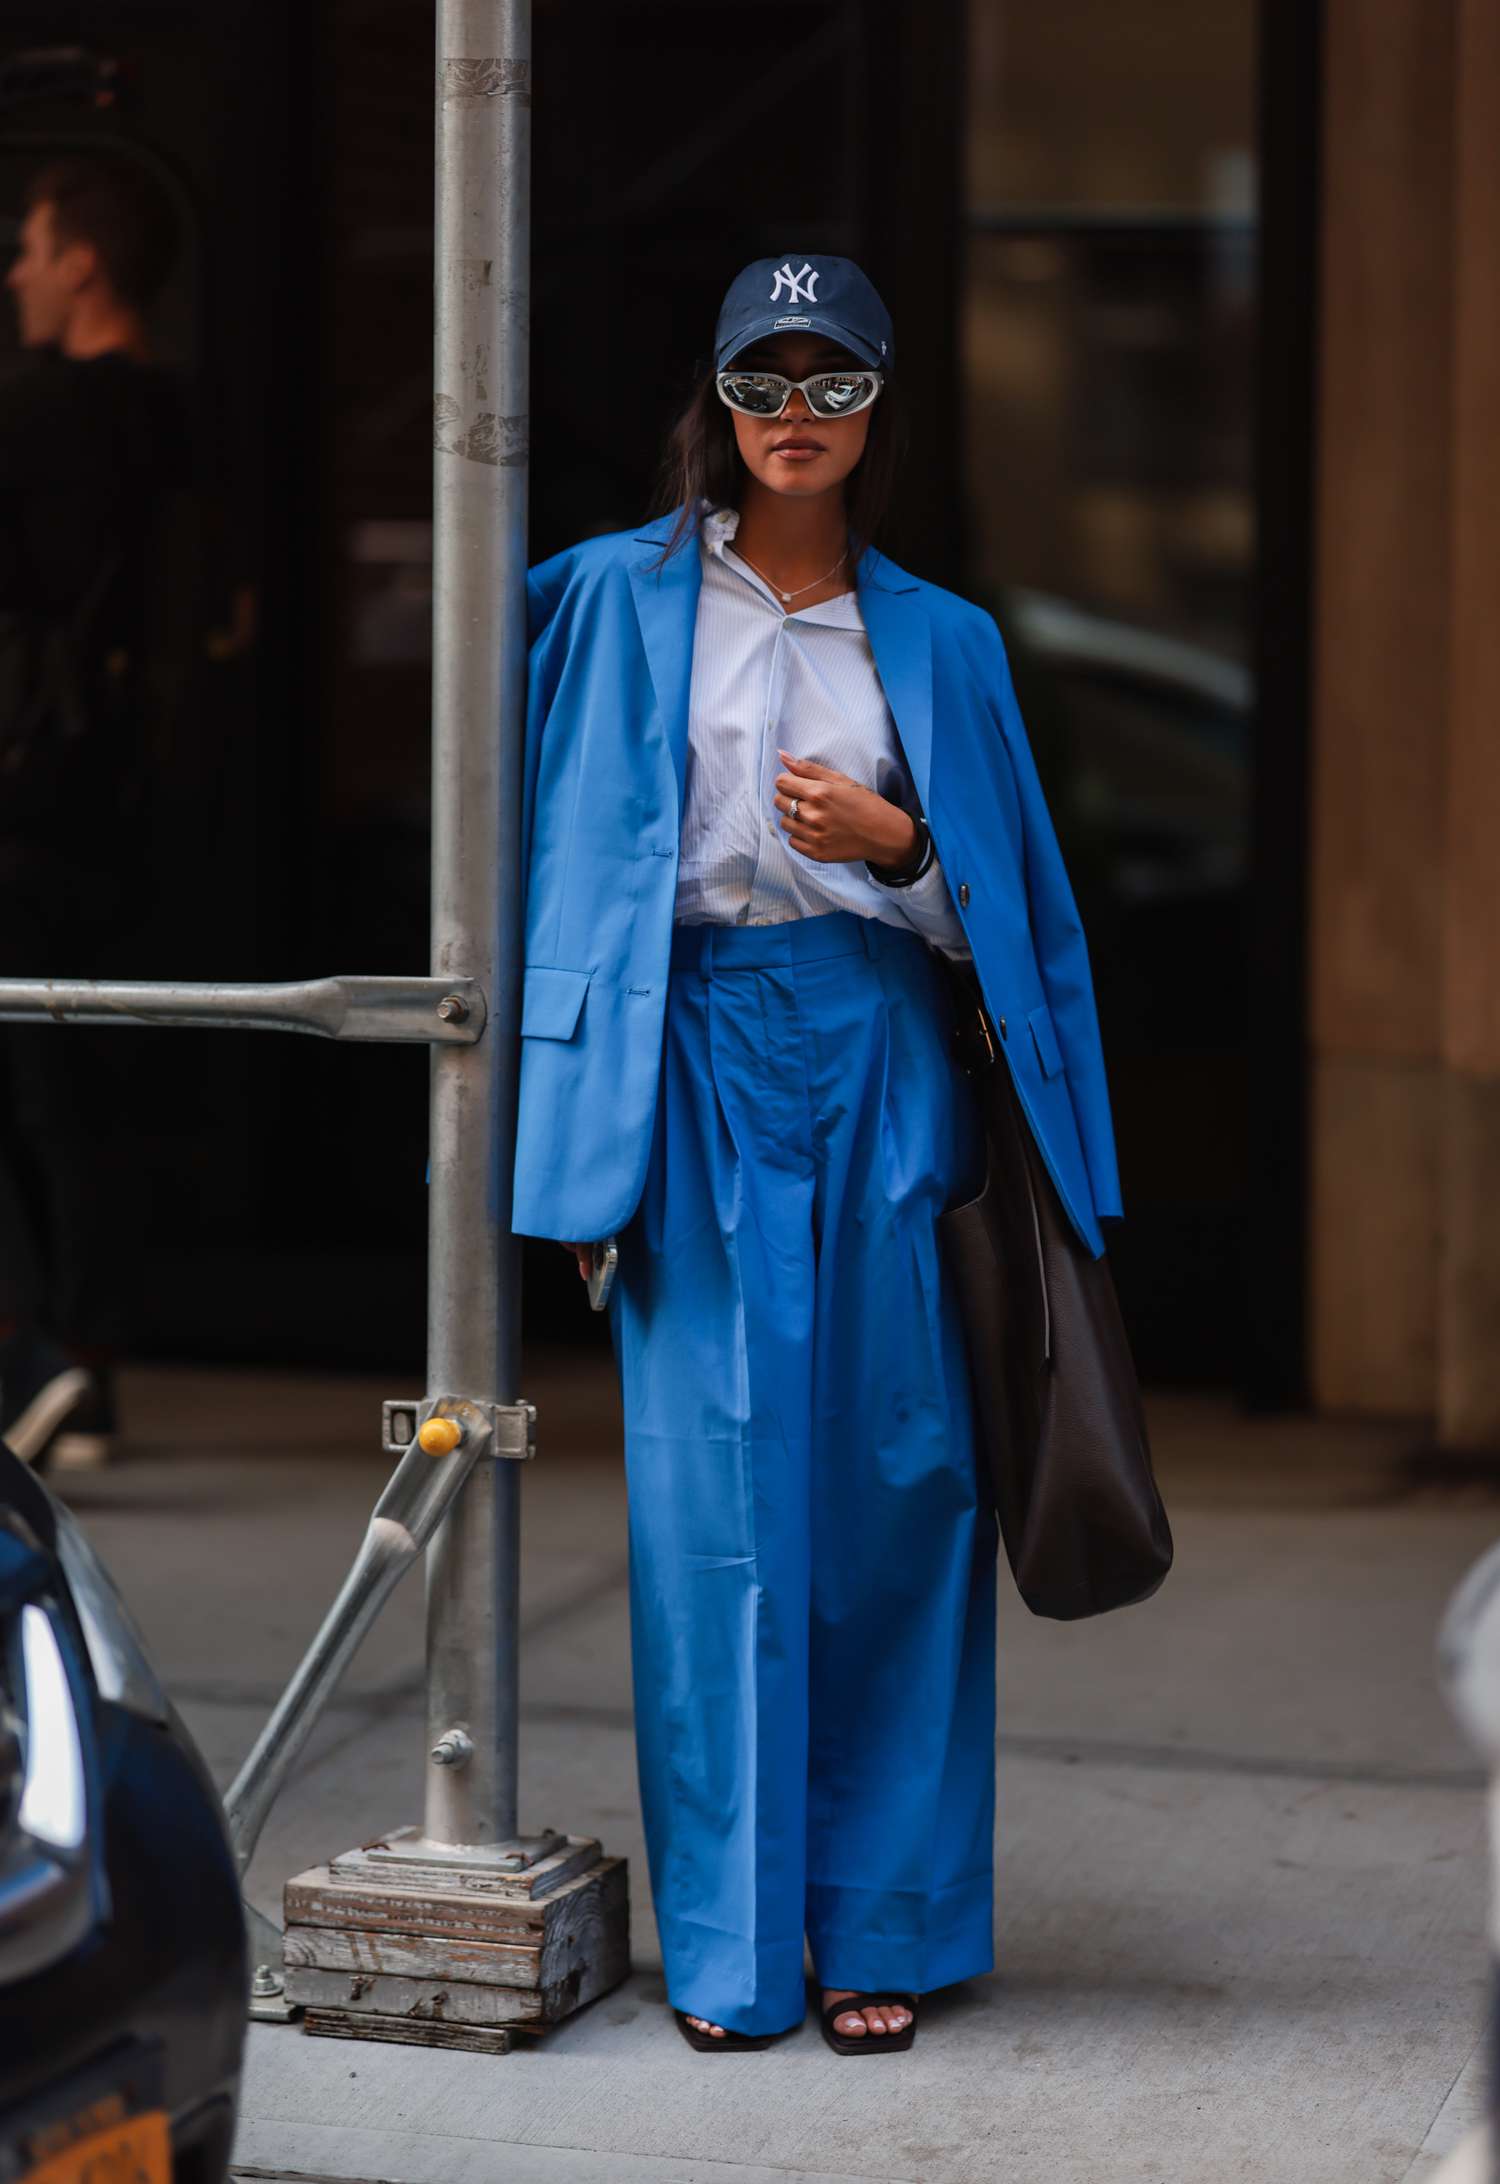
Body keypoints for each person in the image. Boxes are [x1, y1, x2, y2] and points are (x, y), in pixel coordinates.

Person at [514, 255, 1123, 2053]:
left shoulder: (939, 636)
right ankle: (729, 1947)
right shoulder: (601, 600)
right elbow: (525, 849)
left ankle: (884, 1930)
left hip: (877, 1049)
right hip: (683, 1057)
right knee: (711, 1511)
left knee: (898, 1492)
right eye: (763, 382)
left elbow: (1019, 923)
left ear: (877, 411)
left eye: (832, 384)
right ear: (716, 399)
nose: (796, 415)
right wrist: (555, 1125)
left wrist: (898, 843)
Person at [0, 156, 186, 1467]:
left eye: (30, 245)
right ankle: (89, 1360)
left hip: (28, 793)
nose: (16, 270)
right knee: (95, 1078)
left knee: (29, 1077)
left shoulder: (33, 419)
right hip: (144, 804)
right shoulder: (191, 424)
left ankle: (45, 1355)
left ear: (84, 264)